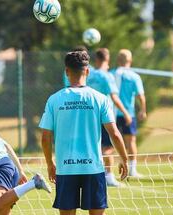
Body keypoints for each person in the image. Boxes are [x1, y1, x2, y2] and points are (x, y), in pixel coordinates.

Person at [39, 50, 128, 215]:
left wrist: (50, 163)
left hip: (65, 169)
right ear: (87, 71)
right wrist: (124, 160)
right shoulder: (100, 98)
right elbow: (114, 134)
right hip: (93, 168)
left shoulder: (54, 99)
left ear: (67, 71)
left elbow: (45, 138)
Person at [86, 48, 132, 187]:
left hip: (90, 115)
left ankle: (97, 173)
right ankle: (109, 176)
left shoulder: (90, 74)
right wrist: (125, 112)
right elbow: (114, 97)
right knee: (108, 146)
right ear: (107, 60)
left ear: (96, 60)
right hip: (104, 115)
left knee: (95, 146)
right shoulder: (106, 76)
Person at [110, 49, 147, 177]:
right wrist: (143, 110)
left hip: (111, 114)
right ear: (130, 61)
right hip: (128, 115)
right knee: (130, 142)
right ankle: (132, 170)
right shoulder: (134, 76)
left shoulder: (110, 74)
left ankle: (107, 172)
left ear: (118, 60)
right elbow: (141, 96)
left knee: (109, 143)